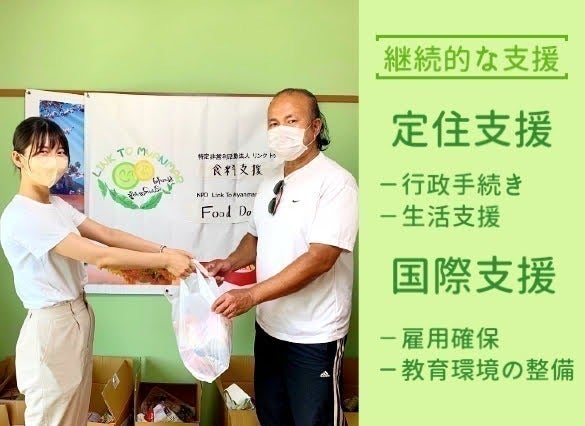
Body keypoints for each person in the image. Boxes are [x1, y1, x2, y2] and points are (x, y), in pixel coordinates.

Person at [0, 117, 196, 426]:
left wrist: (164, 251)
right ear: (18, 158)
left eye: (60, 151)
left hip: (77, 314)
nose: (54, 160)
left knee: (75, 415)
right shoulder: (22, 215)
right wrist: (164, 262)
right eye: (42, 152)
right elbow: (100, 255)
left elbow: (108, 235)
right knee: (53, 418)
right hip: (53, 325)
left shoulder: (55, 205)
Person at [208, 88, 358, 426]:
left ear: (315, 127)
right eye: (274, 123)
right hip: (269, 327)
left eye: (292, 121)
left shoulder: (336, 183)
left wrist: (250, 295)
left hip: (314, 335)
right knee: (273, 415)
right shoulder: (270, 178)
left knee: (315, 420)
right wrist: (230, 263)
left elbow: (320, 258)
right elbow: (255, 236)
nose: (281, 130)